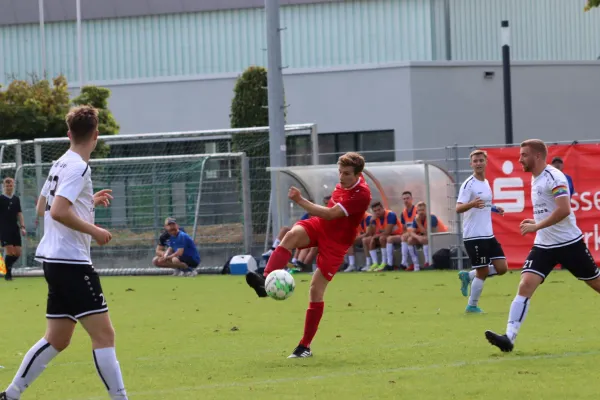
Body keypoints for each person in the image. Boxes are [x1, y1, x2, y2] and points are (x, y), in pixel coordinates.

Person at [1, 106, 128, 400]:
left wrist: (87, 200)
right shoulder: (79, 167)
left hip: (55, 261)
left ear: (69, 134)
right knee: (104, 335)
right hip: (71, 262)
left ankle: (11, 394)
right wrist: (94, 231)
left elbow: (42, 206)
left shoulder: (59, 163)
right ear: (96, 135)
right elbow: (57, 211)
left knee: (57, 338)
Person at [245, 152, 371, 358]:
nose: (341, 177)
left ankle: (305, 346)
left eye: (346, 173)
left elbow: (330, 214)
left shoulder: (361, 195)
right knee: (291, 236)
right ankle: (266, 281)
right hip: (321, 226)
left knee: (315, 290)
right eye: (340, 172)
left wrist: (300, 200)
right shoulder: (350, 179)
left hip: (336, 243)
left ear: (357, 175)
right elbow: (327, 217)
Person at [485, 139, 600, 353]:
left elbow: (564, 209)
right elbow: (548, 210)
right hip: (544, 245)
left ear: (537, 156)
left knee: (596, 284)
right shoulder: (535, 177)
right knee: (525, 284)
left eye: (524, 155)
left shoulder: (554, 177)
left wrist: (537, 225)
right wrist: (537, 223)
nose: (520, 159)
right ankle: (508, 338)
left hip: (569, 244)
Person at [456, 149, 508, 313]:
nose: (478, 163)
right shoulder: (468, 184)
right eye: (475, 161)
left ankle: (469, 276)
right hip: (474, 236)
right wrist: (471, 204)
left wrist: (493, 208)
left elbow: (482, 204)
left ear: (486, 162)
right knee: (483, 270)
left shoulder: (485, 182)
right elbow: (458, 208)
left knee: (502, 268)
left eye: (481, 160)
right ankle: (472, 305)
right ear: (471, 164)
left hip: (488, 234)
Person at [406, 202, 447, 271]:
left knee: (425, 239)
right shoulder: (416, 218)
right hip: (427, 238)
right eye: (419, 210)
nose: (421, 212)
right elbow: (411, 232)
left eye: (423, 210)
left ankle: (427, 263)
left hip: (441, 237)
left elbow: (431, 234)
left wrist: (418, 223)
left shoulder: (432, 218)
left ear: (426, 210)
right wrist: (418, 237)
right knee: (410, 240)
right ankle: (416, 265)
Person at [0, 177, 26, 281]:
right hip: (4, 229)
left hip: (15, 228)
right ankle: (8, 275)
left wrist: (22, 226)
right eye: (7, 186)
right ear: (3, 186)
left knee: (18, 253)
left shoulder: (16, 199)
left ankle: (6, 269)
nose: (9, 187)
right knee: (10, 252)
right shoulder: (1, 199)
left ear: (13, 186)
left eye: (10, 185)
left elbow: (19, 213)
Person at [364, 201, 402, 272]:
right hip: (386, 236)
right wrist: (371, 222)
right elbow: (370, 233)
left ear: (383, 208)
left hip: (397, 235)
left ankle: (384, 262)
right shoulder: (375, 218)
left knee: (382, 238)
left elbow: (388, 232)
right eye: (375, 211)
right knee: (367, 240)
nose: (377, 212)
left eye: (379, 210)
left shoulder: (390, 215)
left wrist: (376, 236)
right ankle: (374, 263)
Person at [398, 191, 418, 270]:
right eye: (404, 199)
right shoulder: (403, 213)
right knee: (403, 237)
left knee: (406, 238)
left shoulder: (417, 210)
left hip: (418, 232)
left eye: (407, 198)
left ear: (412, 199)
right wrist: (405, 233)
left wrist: (408, 233)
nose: (406, 200)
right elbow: (404, 228)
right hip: (409, 234)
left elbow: (419, 226)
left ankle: (405, 262)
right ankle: (405, 262)